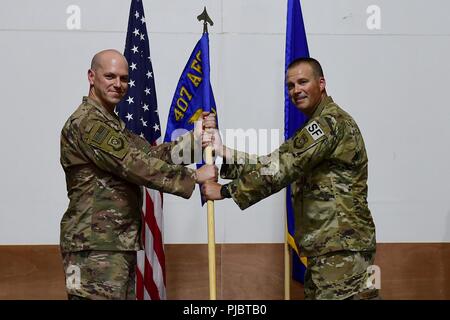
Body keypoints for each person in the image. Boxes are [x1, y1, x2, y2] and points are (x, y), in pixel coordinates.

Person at [201, 57, 379, 300]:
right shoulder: (315, 125)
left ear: (321, 83)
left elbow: (283, 168)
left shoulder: (329, 123)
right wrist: (225, 152)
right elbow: (277, 162)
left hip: (342, 249)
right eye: (291, 85)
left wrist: (224, 191)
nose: (296, 90)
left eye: (303, 82)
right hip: (329, 248)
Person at [60, 49, 217, 300]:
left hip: (115, 244)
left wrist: (196, 143)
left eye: (123, 78)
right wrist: (192, 177)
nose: (118, 84)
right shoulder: (87, 123)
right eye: (110, 76)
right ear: (91, 76)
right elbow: (132, 164)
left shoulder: (112, 124)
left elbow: (150, 156)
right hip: (92, 248)